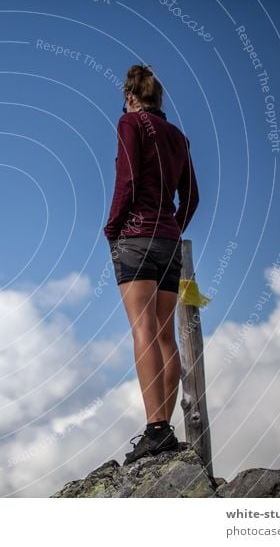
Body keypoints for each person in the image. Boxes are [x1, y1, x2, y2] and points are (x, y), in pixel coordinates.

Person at [103, 64, 200, 464]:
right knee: (165, 336)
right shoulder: (178, 136)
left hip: (136, 238)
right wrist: (171, 228)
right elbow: (191, 196)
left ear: (130, 97)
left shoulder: (130, 125)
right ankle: (165, 430)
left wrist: (113, 229)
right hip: (169, 242)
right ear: (160, 99)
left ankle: (155, 428)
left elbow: (126, 181)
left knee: (142, 330)